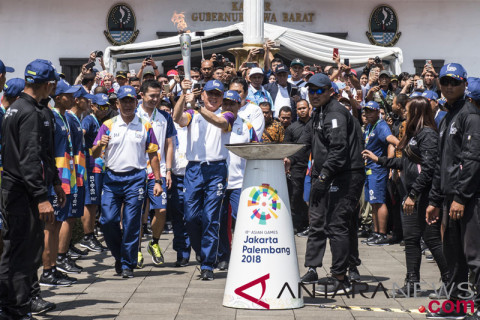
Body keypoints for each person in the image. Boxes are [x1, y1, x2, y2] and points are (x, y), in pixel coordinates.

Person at [285, 73, 365, 295]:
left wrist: (322, 177)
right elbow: (306, 141)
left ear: (331, 91)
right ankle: (312, 267)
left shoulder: (336, 112)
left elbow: (339, 152)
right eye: (311, 90)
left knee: (338, 225)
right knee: (317, 222)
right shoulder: (318, 113)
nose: (314, 95)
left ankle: (341, 277)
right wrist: (290, 157)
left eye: (319, 90)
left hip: (344, 176)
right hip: (324, 175)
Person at [362, 96, 450, 296]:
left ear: (418, 112)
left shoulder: (428, 134)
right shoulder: (414, 134)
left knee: (432, 239)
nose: (404, 113)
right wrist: (380, 160)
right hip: (410, 196)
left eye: (408, 110)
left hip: (423, 196)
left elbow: (429, 169)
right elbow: (406, 164)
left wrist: (413, 194)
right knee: (411, 239)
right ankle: (412, 283)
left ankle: (449, 282)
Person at [0, 59, 64, 319]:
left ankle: (13, 305)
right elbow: (29, 158)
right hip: (22, 192)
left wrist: (55, 181)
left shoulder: (17, 107)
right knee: (23, 252)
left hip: (17, 189)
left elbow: (41, 155)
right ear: (48, 85)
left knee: (16, 249)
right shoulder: (29, 112)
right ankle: (15, 308)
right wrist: (40, 196)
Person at [426, 64, 480, 320]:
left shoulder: (471, 116)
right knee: (453, 256)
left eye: (454, 82)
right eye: (445, 81)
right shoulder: (447, 116)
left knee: (474, 256)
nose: (448, 86)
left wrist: (460, 197)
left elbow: (471, 161)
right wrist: (435, 199)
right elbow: (442, 162)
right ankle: (457, 305)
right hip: (450, 199)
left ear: (464, 84)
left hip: (468, 199)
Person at [92, 85, 163, 279]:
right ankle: (119, 256)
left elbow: (153, 154)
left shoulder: (144, 125)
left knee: (132, 223)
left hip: (136, 178)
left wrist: (157, 181)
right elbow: (94, 153)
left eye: (131, 101)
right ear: (118, 103)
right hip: (112, 178)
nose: (128, 104)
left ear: (136, 102)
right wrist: (100, 144)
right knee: (107, 221)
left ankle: (127, 264)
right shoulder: (108, 124)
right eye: (124, 101)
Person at [172, 79, 234, 281]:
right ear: (204, 94)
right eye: (210, 94)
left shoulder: (227, 114)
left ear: (222, 97)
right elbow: (176, 117)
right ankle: (200, 250)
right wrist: (183, 94)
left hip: (216, 169)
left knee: (210, 217)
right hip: (194, 169)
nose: (214, 97)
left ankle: (207, 263)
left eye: (218, 94)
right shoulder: (192, 114)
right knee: (190, 217)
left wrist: (197, 105)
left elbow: (219, 123)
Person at [136, 80, 176, 267]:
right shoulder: (133, 114)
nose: (154, 99)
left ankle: (154, 243)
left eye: (157, 95)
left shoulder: (164, 116)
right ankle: (135, 249)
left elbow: (169, 144)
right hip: (136, 170)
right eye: (151, 95)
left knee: (161, 210)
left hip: (157, 172)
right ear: (142, 95)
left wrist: (168, 170)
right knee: (137, 213)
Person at [217, 90, 259, 270]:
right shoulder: (214, 122)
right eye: (225, 103)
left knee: (241, 219)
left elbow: (256, 149)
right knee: (219, 220)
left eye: (232, 104)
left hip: (239, 180)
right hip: (217, 180)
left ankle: (245, 252)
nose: (228, 107)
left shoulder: (247, 126)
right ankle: (223, 256)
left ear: (239, 106)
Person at [362, 101, 399, 246]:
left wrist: (402, 146)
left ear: (378, 112)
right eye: (366, 111)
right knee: (373, 201)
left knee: (379, 201)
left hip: (378, 169)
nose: (368, 113)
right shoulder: (369, 126)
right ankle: (376, 232)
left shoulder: (381, 125)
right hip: (369, 168)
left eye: (371, 111)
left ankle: (382, 234)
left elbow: (391, 140)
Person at [80, 94, 109, 253]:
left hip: (98, 166)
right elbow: (80, 134)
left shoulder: (99, 121)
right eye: (101, 106)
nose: (104, 110)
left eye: (107, 107)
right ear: (93, 106)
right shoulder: (89, 120)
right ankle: (87, 235)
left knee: (94, 201)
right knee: (90, 202)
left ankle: (90, 234)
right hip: (90, 166)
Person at [284, 99, 311, 234]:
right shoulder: (291, 128)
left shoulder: (316, 125)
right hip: (296, 167)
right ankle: (296, 225)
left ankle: (310, 224)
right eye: (299, 109)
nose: (302, 110)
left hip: (313, 166)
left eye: (304, 108)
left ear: (309, 108)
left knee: (311, 197)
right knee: (296, 197)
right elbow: (286, 150)